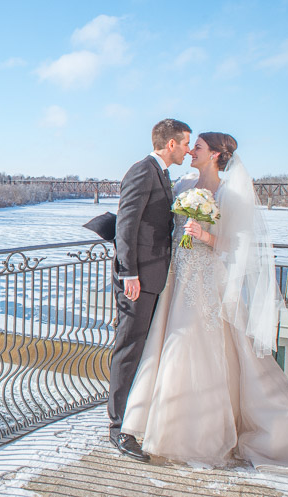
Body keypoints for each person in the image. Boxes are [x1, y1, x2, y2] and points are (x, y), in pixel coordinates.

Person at [122, 132, 288, 471]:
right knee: (169, 343)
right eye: (191, 145)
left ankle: (198, 434)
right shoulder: (182, 184)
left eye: (197, 147)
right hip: (177, 278)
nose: (190, 151)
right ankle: (155, 423)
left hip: (208, 280)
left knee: (203, 348)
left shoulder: (229, 193)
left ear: (214, 155)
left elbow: (236, 246)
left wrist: (204, 234)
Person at [108, 119, 192, 461]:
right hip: (137, 280)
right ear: (170, 144)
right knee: (128, 347)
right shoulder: (143, 170)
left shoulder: (163, 173)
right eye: (185, 143)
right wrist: (128, 272)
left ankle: (136, 416)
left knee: (143, 347)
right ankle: (117, 429)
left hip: (156, 277)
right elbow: (125, 223)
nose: (188, 149)